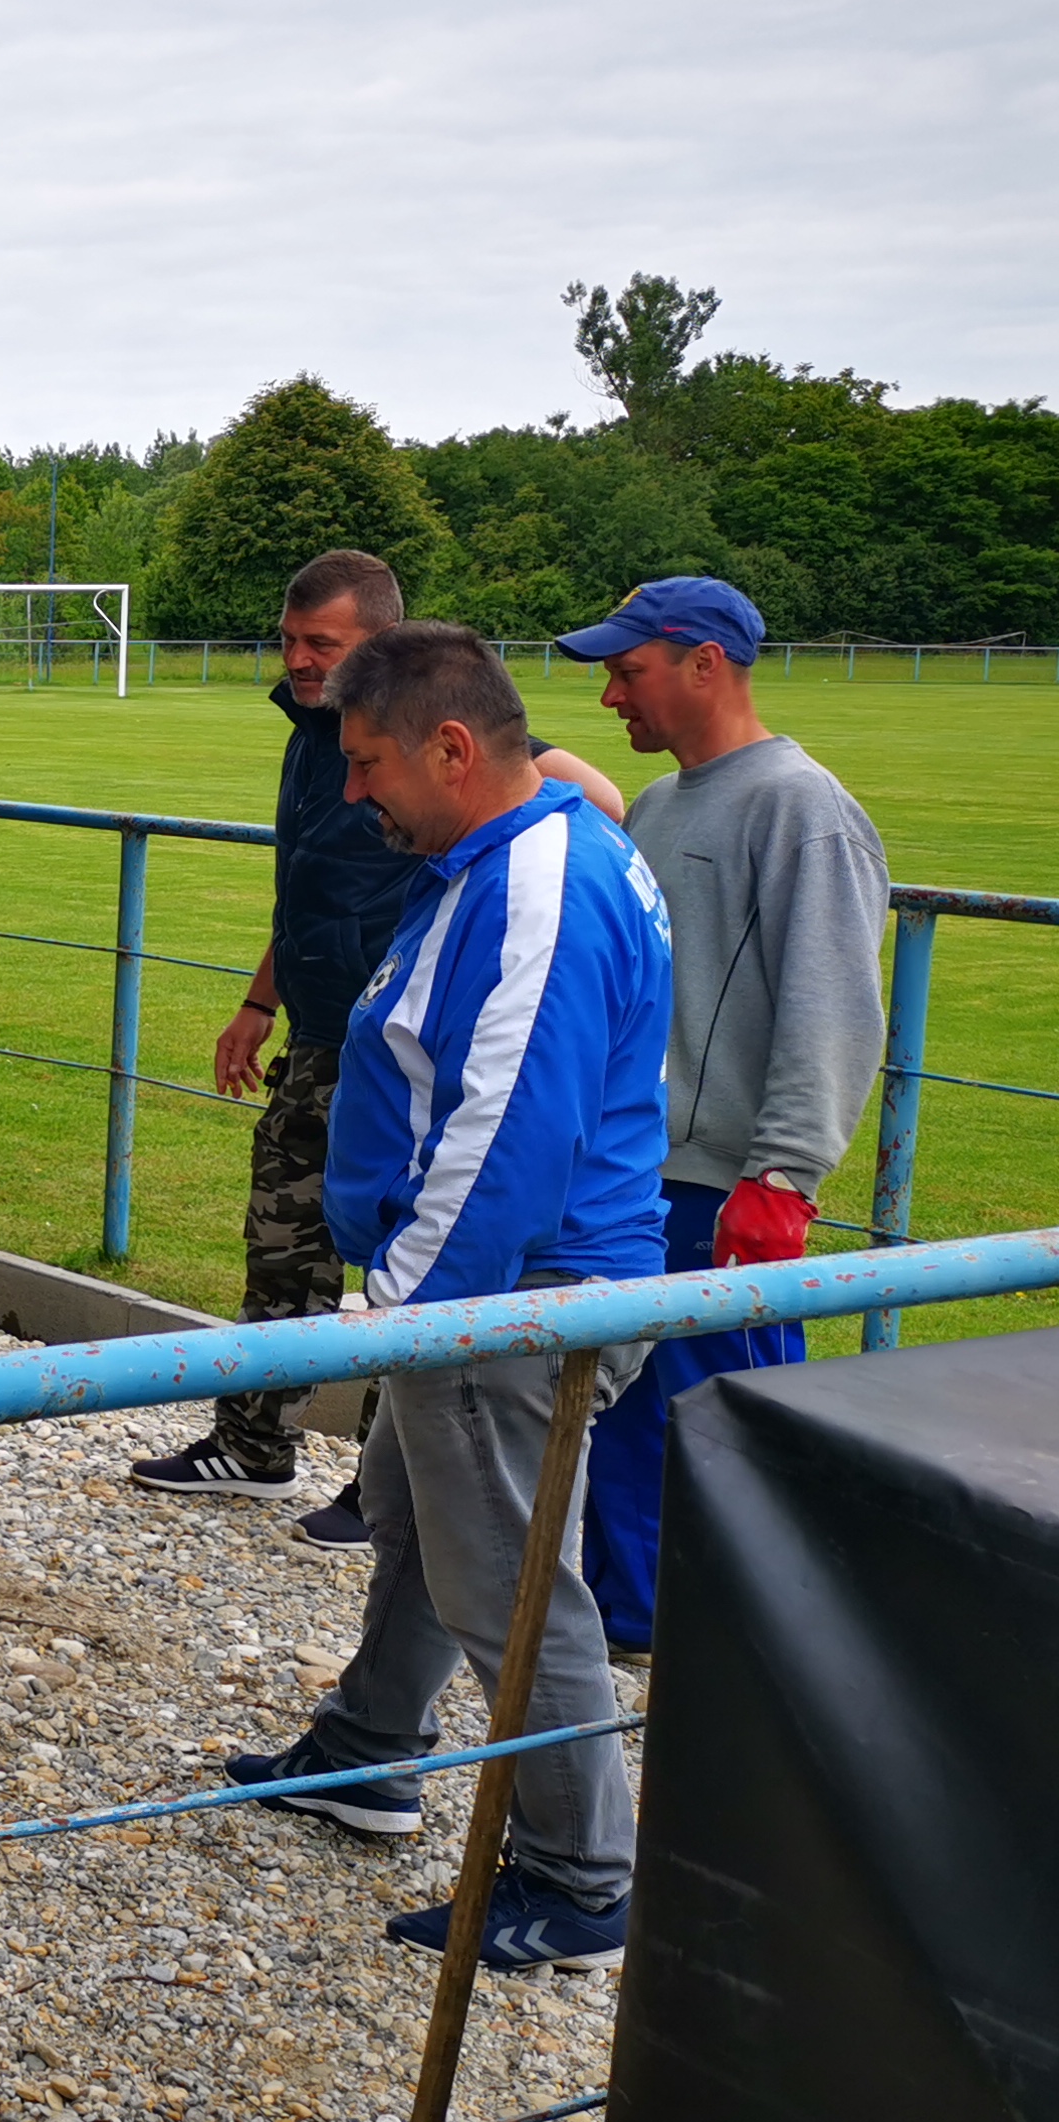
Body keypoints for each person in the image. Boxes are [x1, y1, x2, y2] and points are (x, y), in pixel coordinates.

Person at [225, 624, 670, 1974]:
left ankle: (584, 1878)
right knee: (425, 1528)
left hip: (514, 1306)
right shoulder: (510, 852)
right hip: (482, 1297)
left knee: (517, 1590)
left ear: (455, 749)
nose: (354, 793)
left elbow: (509, 1135)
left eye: (369, 765)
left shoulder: (541, 880)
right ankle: (370, 1749)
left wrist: (410, 1315)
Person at [135, 550, 628, 1551]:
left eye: (324, 643)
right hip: (320, 1032)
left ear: (381, 646)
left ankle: (380, 1483)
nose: (302, 658)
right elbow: (304, 884)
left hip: (404, 1045)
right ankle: (254, 1444)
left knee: (406, 1251)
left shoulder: (420, 724)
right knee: (283, 1243)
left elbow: (589, 793)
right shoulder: (313, 739)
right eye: (290, 638)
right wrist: (257, 1002)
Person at [553, 577, 887, 1655]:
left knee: (705, 1432)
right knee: (626, 1418)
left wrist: (784, 1178)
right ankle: (623, 1633)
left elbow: (833, 1003)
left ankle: (697, 1660)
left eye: (627, 670)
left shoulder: (802, 807)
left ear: (705, 663)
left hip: (724, 1186)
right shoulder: (659, 805)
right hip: (641, 1171)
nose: (611, 697)